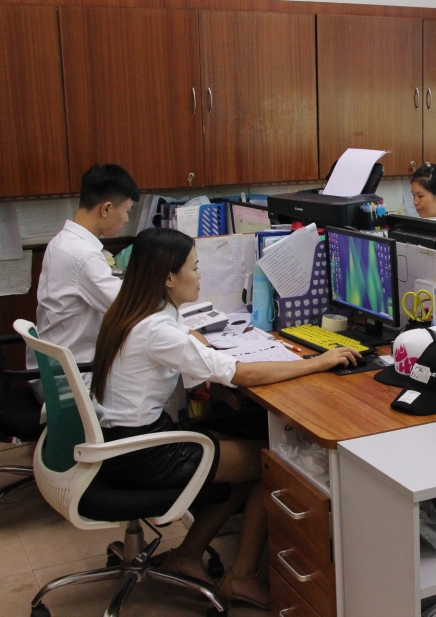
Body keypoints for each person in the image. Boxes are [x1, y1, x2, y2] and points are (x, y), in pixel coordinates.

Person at [90, 227, 359, 610]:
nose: (200, 276)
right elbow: (241, 375)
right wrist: (318, 362)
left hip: (123, 442)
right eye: (194, 268)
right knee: (270, 463)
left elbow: (185, 337)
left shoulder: (134, 310)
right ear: (168, 278)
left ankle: (187, 556)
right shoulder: (156, 329)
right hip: (143, 455)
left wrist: (201, 345)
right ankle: (243, 577)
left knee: (238, 450)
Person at [28, 164, 140, 387]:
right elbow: (129, 309)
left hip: (50, 370)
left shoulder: (61, 242)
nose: (126, 219)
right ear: (106, 209)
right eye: (127, 211)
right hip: (70, 380)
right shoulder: (83, 255)